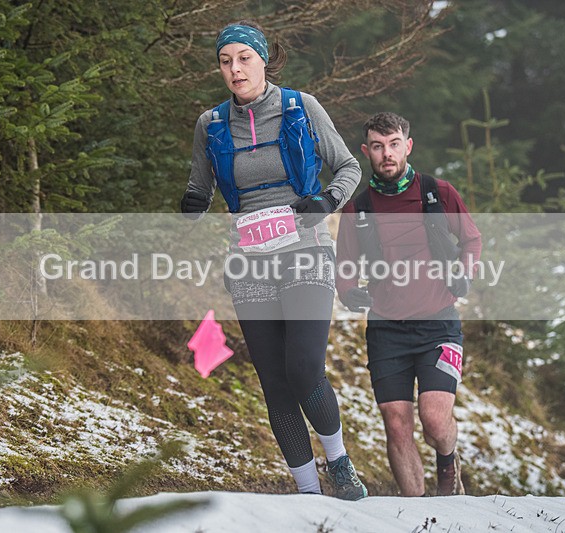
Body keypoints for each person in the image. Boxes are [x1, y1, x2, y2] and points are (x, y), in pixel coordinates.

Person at [180, 20, 367, 500]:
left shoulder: (299, 107)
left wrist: (326, 202)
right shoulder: (211, 123)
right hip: (249, 261)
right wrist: (190, 212)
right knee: (275, 383)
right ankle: (308, 493)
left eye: (244, 58)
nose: (235, 69)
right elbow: (199, 189)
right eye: (226, 61)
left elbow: (348, 166)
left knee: (303, 367)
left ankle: (340, 463)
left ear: (264, 60)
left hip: (305, 252)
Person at [335, 112, 481, 497]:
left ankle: (448, 459)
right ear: (367, 151)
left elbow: (472, 240)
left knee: (434, 420)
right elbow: (344, 268)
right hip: (385, 329)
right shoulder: (357, 209)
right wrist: (349, 293)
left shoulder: (438, 192)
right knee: (396, 423)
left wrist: (464, 273)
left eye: (394, 144)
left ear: (407, 146)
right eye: (379, 147)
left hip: (439, 325)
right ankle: (417, 513)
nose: (387, 154)